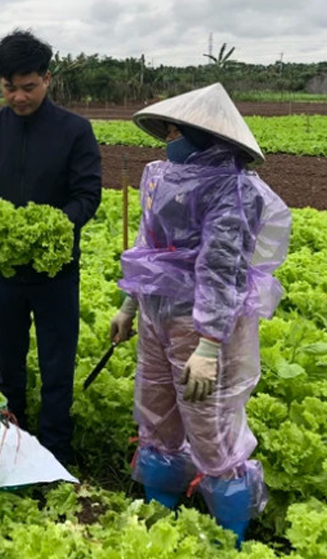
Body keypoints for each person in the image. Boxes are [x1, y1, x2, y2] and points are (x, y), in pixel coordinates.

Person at [110, 83, 291, 545]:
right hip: (158, 314)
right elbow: (147, 249)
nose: (168, 137)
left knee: (210, 424)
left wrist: (210, 344)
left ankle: (230, 530)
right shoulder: (162, 175)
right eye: (168, 129)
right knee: (157, 412)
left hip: (203, 324)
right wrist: (129, 305)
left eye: (175, 130)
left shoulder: (232, 189)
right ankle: (160, 508)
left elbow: (222, 268)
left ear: (203, 136)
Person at [0, 30, 102, 466]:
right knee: (9, 365)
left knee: (58, 365)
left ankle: (56, 451)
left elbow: (87, 194)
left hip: (56, 274)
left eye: (28, 87)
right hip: (4, 274)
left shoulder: (75, 131)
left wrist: (54, 226)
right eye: (9, 87)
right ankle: (12, 446)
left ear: (47, 79)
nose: (18, 97)